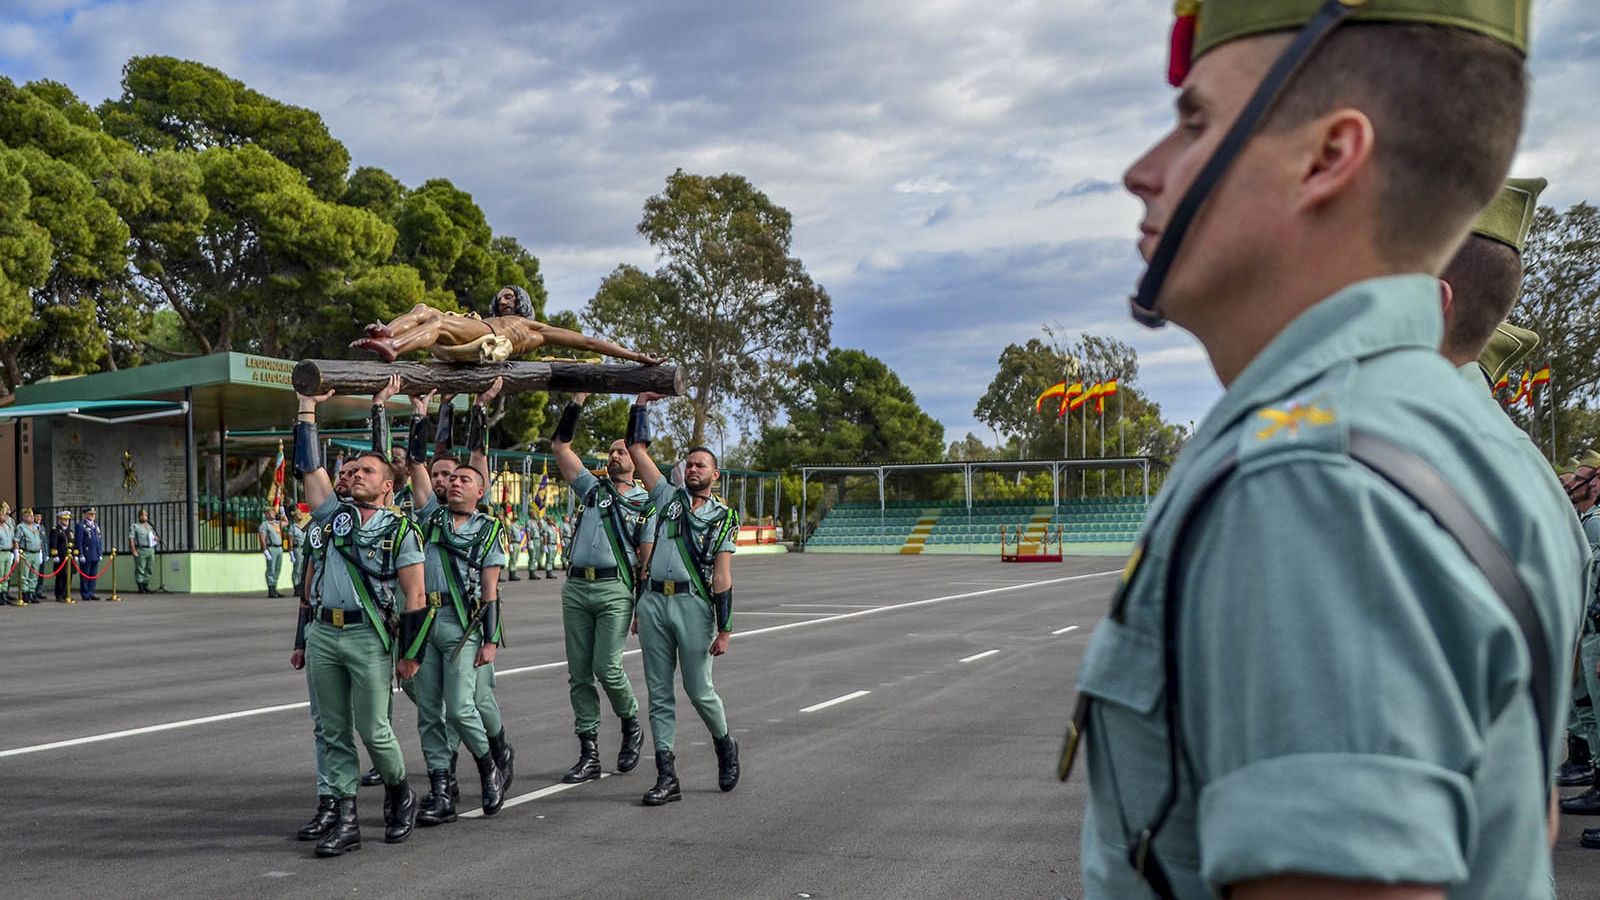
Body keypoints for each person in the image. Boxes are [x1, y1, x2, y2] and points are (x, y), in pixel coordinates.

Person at [1069, 3, 1581, 897]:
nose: (1141, 172)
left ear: (1328, 158)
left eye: (1194, 124)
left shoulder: (1311, 480)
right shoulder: (1444, 434)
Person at [293, 386, 429, 857]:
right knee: (330, 729)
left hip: (369, 635)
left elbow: (416, 595)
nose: (354, 476)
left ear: (388, 484)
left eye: (366, 470)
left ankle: (398, 790)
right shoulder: (334, 518)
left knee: (374, 729)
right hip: (325, 634)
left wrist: (410, 654)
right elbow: (311, 469)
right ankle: (344, 818)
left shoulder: (400, 529)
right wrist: (307, 409)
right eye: (349, 471)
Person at [389, 377, 512, 826]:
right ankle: (442, 790)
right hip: (426, 624)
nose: (454, 483)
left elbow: (491, 589)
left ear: (480, 491)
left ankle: (488, 767)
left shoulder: (488, 529)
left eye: (464, 480)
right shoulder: (431, 516)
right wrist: (418, 412)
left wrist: (491, 640)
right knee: (428, 713)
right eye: (451, 479)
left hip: (464, 627)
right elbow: (419, 464)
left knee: (461, 707)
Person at [626, 392, 740, 805]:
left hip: (693, 605)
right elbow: (637, 450)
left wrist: (725, 628)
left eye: (700, 465)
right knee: (658, 692)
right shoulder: (666, 498)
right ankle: (666, 775)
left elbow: (723, 577)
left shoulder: (724, 517)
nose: (692, 470)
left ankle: (724, 743)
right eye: (689, 464)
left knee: (699, 690)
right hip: (655, 602)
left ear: (715, 475)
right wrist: (640, 406)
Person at [551, 394, 656, 783]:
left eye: (623, 451)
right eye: (611, 452)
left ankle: (630, 722)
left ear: (636, 458)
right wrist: (576, 403)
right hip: (577, 588)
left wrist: (641, 608)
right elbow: (561, 446)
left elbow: (646, 561)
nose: (615, 457)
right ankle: (589, 750)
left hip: (616, 589)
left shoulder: (647, 502)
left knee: (607, 668)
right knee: (579, 674)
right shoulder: (592, 490)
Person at [350, 285, 663, 366]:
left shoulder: (532, 328)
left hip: (489, 343)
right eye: (500, 298)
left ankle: (394, 347)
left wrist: (635, 356)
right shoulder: (487, 317)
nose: (503, 301)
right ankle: (390, 332)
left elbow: (589, 343)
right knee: (423, 308)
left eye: (510, 297)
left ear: (522, 301)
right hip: (469, 338)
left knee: (438, 319)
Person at [15, 508, 43, 605]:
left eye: (31, 516)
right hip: (26, 553)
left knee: (34, 574)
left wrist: (40, 552)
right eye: (28, 516)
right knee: (24, 574)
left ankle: (32, 592)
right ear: (23, 517)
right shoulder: (21, 527)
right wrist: (17, 552)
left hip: (35, 553)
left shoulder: (35, 527)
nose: (31, 518)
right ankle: (25, 593)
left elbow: (39, 539)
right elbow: (16, 540)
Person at [127, 509, 158, 594]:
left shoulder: (149, 526)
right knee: (140, 568)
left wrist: (156, 539)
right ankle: (140, 586)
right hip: (141, 549)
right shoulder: (135, 526)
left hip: (150, 549)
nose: (144, 517)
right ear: (139, 516)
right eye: (143, 515)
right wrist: (133, 550)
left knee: (149, 568)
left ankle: (146, 585)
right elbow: (131, 538)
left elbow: (154, 536)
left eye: (146, 515)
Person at [75, 507, 103, 601]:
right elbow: (79, 541)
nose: (92, 516)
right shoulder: (81, 525)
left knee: (93, 575)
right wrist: (81, 554)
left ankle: (91, 592)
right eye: (90, 514)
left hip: (94, 553)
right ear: (85, 514)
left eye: (94, 514)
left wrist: (100, 552)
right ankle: (85, 593)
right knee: (85, 575)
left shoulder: (95, 525)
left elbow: (99, 540)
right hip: (86, 553)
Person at [259, 506, 286, 598]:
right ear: (266, 514)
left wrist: (283, 513)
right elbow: (262, 539)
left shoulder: (277, 523)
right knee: (271, 569)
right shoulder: (265, 525)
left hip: (279, 548)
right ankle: (271, 589)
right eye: (271, 513)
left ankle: (275, 588)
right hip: (271, 548)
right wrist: (265, 550)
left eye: (274, 513)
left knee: (278, 569)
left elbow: (286, 522)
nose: (274, 514)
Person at [288, 504, 310, 599]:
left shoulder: (305, 525)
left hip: (305, 549)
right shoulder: (293, 527)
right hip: (298, 549)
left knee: (304, 569)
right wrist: (291, 553)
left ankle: (302, 586)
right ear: (295, 516)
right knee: (297, 569)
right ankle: (296, 586)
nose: (301, 515)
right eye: (299, 514)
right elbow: (290, 542)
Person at [535, 513, 561, 580]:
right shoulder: (546, 528)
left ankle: (550, 571)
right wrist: (545, 545)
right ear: (548, 521)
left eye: (552, 520)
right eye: (551, 520)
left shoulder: (553, 528)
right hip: (549, 544)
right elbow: (545, 537)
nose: (552, 521)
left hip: (553, 544)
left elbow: (555, 536)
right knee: (549, 559)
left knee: (552, 558)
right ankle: (548, 573)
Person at [0, 503, 15, 606]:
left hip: (8, 552)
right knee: (0, 575)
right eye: (3, 514)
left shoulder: (7, 526)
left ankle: (4, 594)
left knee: (6, 575)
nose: (6, 516)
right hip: (0, 552)